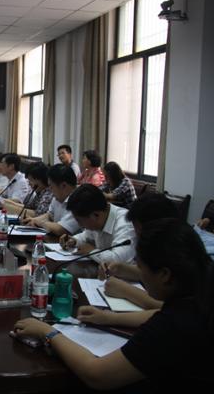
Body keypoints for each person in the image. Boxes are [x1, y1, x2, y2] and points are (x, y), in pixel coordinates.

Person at [13, 218, 214, 391]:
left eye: (141, 269)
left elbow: (97, 374)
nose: (140, 275)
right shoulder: (201, 287)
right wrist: (109, 318)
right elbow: (159, 310)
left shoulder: (174, 325)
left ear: (165, 275)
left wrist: (48, 332)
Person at [61, 184, 136, 264]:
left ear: (95, 215)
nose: (80, 225)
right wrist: (74, 240)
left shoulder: (125, 223)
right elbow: (86, 236)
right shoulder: (98, 217)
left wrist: (91, 251)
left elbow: (118, 261)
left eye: (79, 221)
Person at [23, 164, 81, 236]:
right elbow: (49, 215)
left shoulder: (79, 200)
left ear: (63, 185)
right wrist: (34, 220)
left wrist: (40, 223)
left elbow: (61, 229)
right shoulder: (58, 197)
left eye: (51, 186)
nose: (49, 190)